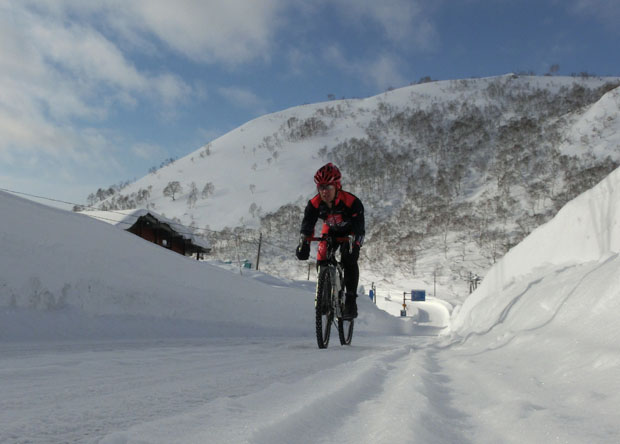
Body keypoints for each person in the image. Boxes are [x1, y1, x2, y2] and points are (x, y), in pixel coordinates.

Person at [295, 163, 365, 319]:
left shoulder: (352, 202)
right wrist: (304, 243)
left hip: (350, 231)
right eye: (320, 187)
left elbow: (359, 229)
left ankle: (351, 300)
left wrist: (355, 244)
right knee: (321, 255)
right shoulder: (314, 204)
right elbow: (307, 226)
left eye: (328, 187)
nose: (324, 191)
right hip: (330, 230)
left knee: (349, 259)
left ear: (337, 186)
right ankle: (324, 296)